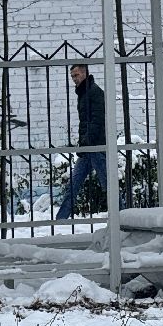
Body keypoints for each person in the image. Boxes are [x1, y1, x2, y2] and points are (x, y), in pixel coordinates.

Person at [54, 64, 108, 221]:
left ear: (85, 73)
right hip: (87, 148)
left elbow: (97, 121)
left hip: (96, 147)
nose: (74, 79)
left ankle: (124, 217)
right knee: (73, 185)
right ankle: (60, 220)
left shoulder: (94, 92)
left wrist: (86, 142)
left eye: (76, 75)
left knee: (108, 187)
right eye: (72, 76)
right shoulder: (84, 93)